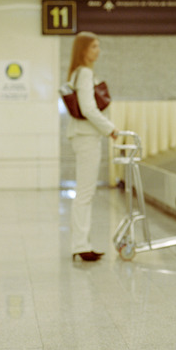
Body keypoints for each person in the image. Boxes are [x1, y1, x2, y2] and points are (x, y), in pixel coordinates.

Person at [65, 31, 119, 262]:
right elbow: (88, 108)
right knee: (85, 192)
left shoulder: (77, 74)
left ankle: (82, 243)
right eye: (94, 46)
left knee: (84, 192)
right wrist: (111, 129)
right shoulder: (85, 74)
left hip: (81, 136)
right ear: (83, 50)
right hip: (87, 137)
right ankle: (80, 245)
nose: (98, 50)